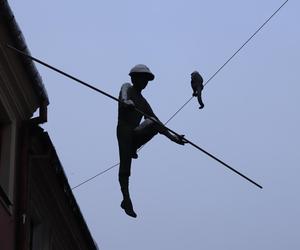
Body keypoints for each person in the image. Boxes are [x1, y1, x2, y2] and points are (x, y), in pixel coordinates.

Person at [117, 64, 186, 218]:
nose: (145, 83)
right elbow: (123, 96)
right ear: (135, 78)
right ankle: (126, 199)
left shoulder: (143, 101)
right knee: (125, 165)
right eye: (143, 78)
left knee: (152, 121)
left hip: (134, 133)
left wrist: (173, 138)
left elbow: (157, 122)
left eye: (147, 80)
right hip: (124, 131)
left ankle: (134, 147)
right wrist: (126, 102)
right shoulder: (127, 86)